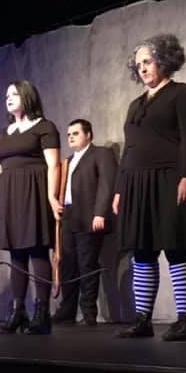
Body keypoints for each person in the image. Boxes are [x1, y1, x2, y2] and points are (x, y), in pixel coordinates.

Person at [113, 34, 186, 341]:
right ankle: (143, 320)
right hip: (136, 183)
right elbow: (129, 148)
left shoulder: (181, 94)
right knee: (142, 252)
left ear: (164, 61)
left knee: (176, 247)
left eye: (148, 61)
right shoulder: (135, 104)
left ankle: (185, 321)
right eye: (138, 64)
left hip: (169, 179)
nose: (142, 68)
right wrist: (119, 189)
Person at [0, 80, 61, 334]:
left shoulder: (44, 127)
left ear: (27, 96)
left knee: (37, 250)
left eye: (14, 94)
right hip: (9, 195)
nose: (8, 98)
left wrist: (51, 196)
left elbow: (53, 165)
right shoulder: (3, 133)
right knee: (16, 254)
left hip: (34, 192)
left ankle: (42, 313)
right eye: (6, 95)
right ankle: (18, 310)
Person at [53, 119, 117, 326]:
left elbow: (107, 184)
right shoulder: (67, 161)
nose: (71, 137)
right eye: (69, 134)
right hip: (69, 217)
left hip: (89, 217)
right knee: (67, 265)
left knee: (87, 264)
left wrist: (100, 213)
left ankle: (89, 312)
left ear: (88, 135)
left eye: (76, 133)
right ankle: (67, 310)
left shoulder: (101, 154)